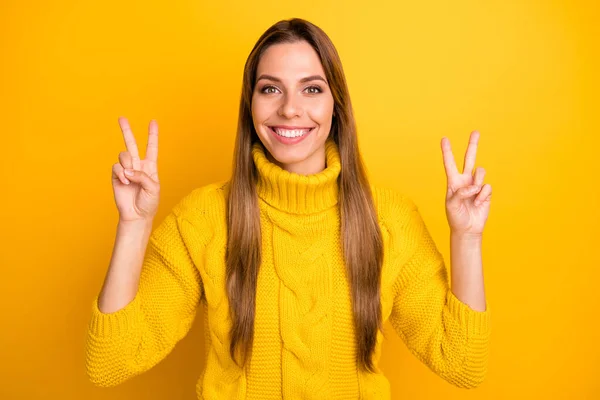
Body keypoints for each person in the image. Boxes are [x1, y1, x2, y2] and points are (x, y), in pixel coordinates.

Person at [85, 17, 492, 399]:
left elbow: (461, 362)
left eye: (311, 88)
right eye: (271, 88)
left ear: (337, 105)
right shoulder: (204, 218)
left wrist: (467, 238)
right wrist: (134, 225)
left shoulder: (389, 220)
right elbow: (110, 361)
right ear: (251, 105)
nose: (290, 109)